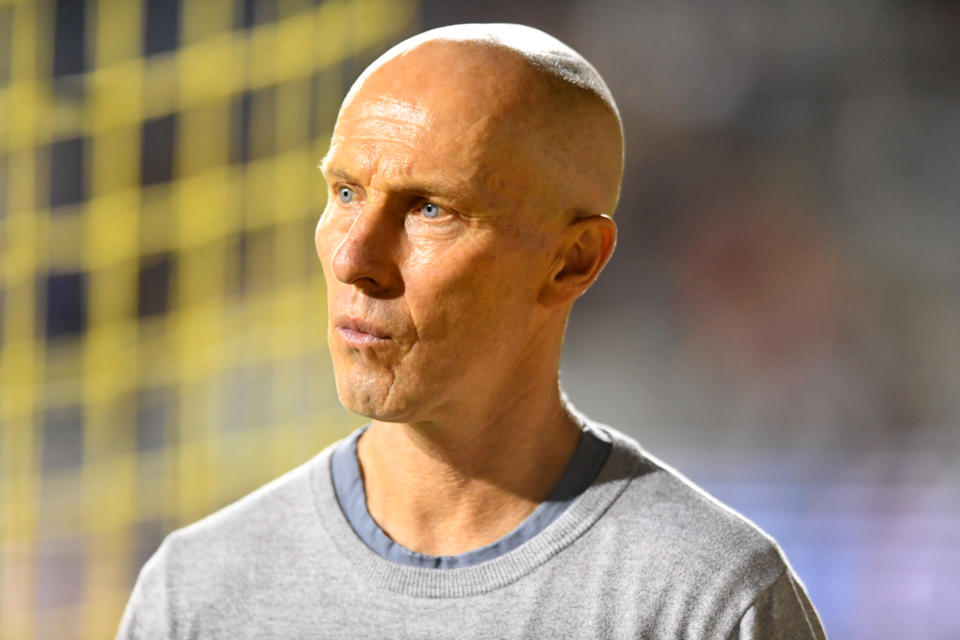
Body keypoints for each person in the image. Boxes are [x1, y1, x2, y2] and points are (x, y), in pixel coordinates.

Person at [118, 24, 826, 639]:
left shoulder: (708, 603)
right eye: (345, 193)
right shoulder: (198, 592)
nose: (352, 257)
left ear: (571, 261)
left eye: (429, 209)